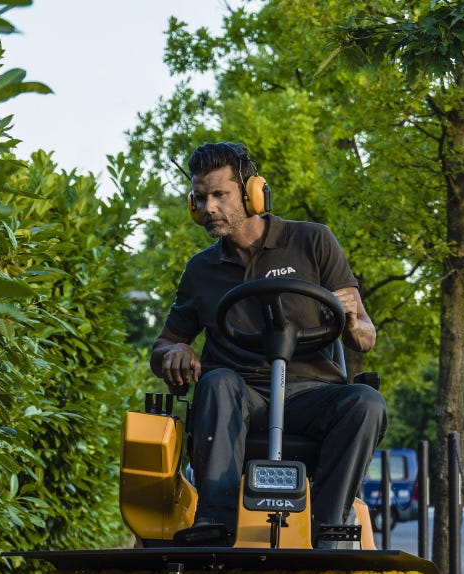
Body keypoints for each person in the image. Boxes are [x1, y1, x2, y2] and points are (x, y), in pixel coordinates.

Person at [150, 141, 385, 548]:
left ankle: (327, 529)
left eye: (219, 195)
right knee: (217, 381)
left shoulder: (314, 242)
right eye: (200, 197)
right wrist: (175, 351)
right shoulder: (201, 269)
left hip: (313, 396)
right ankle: (216, 525)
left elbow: (365, 335)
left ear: (252, 192)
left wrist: (351, 317)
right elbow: (164, 344)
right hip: (241, 399)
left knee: (366, 402)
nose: (208, 208)